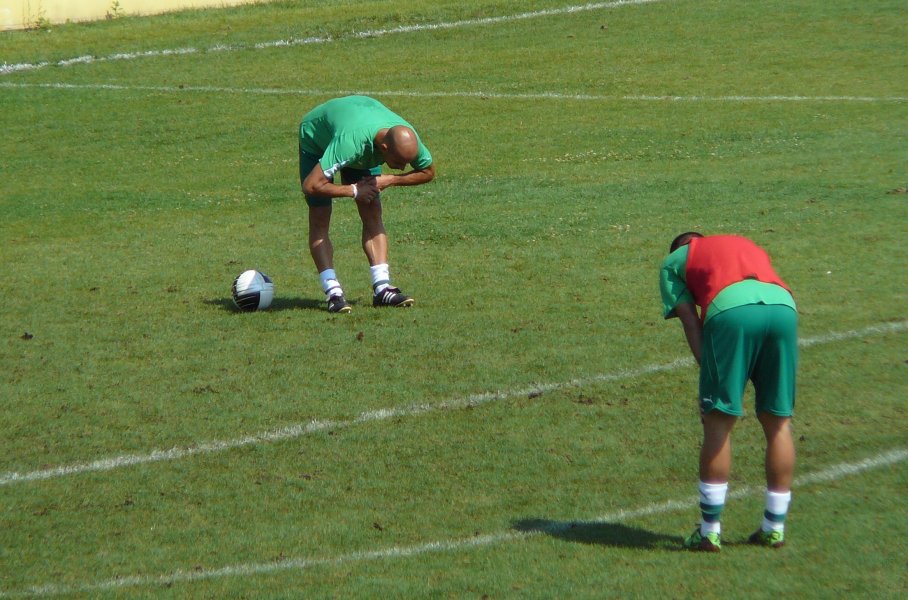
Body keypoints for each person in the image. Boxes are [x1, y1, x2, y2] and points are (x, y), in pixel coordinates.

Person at [659, 232, 798, 552]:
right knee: (778, 422)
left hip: (731, 310)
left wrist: (711, 377)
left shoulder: (672, 263)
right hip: (783, 306)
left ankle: (709, 531)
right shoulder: (741, 244)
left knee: (718, 421)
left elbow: (691, 323)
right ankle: (774, 527)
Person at [298, 95, 436, 313]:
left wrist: (390, 179)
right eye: (398, 163)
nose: (402, 167)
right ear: (384, 148)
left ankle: (382, 288)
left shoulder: (407, 139)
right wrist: (354, 191)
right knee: (320, 213)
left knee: (372, 210)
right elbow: (311, 185)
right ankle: (333, 293)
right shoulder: (350, 144)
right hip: (318, 138)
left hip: (361, 134)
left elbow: (428, 172)